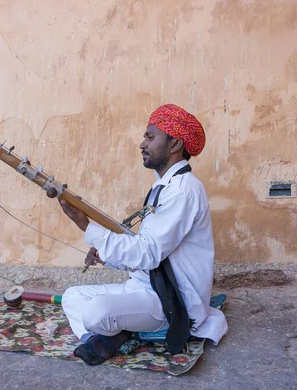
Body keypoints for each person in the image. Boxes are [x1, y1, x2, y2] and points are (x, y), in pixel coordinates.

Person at [58, 104, 228, 366]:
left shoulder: (183, 191)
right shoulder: (162, 186)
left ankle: (112, 334)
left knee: (96, 312)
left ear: (175, 145)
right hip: (144, 286)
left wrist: (86, 226)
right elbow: (146, 250)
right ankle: (109, 336)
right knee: (72, 296)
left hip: (169, 299)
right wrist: (107, 256)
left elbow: (147, 254)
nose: (142, 144)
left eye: (150, 137)